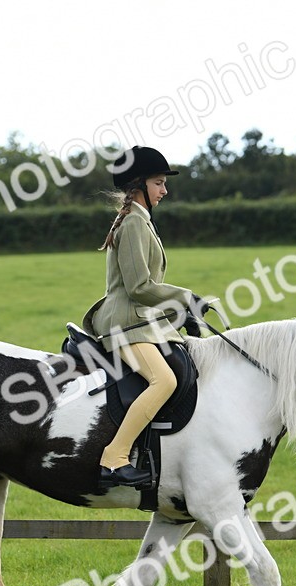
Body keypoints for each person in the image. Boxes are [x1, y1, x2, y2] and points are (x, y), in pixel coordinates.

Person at [82, 146, 206, 489]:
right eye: (159, 183)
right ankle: (115, 458)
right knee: (163, 381)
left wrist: (181, 312)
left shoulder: (139, 219)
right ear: (139, 185)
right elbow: (139, 287)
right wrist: (186, 297)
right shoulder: (134, 223)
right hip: (125, 324)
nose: (164, 190)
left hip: (138, 320)